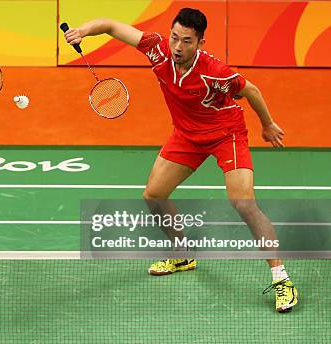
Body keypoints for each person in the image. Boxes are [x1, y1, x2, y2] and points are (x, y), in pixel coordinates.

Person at [64, 8, 298, 312]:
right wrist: (83, 30)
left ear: (200, 42)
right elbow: (109, 24)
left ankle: (281, 278)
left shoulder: (215, 70)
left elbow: (250, 89)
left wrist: (267, 124)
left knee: (243, 203)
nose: (177, 47)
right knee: (154, 195)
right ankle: (183, 252)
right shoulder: (157, 49)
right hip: (187, 135)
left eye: (187, 41)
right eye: (175, 37)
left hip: (226, 134)